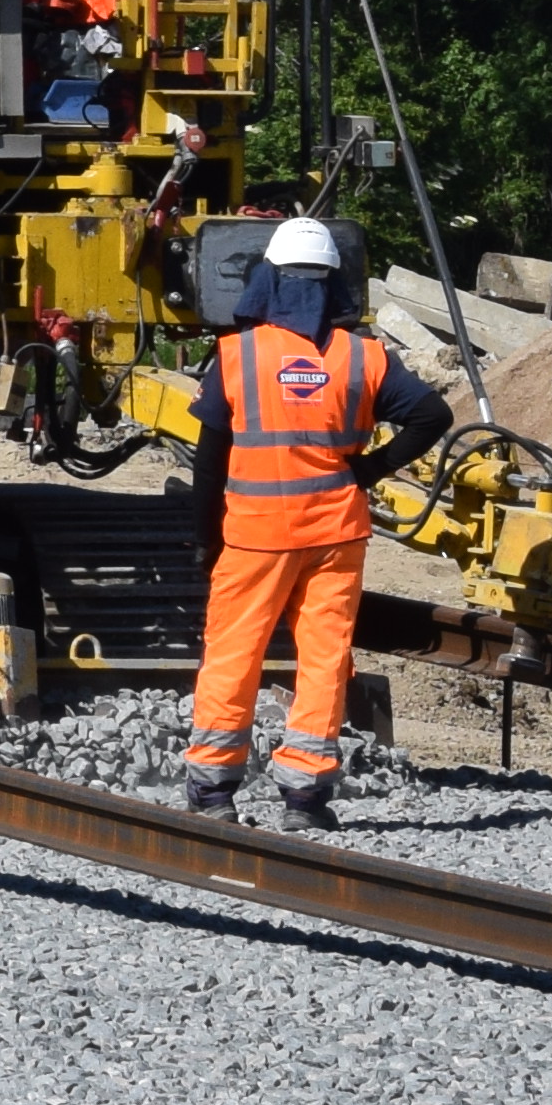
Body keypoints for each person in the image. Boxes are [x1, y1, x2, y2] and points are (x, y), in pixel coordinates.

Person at [181, 211, 454, 828]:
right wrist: (367, 470)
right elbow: (432, 417)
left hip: (255, 536)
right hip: (335, 531)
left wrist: (203, 538)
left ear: (268, 279)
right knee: (325, 655)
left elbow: (208, 463)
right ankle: (304, 796)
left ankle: (214, 789)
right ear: (336, 283)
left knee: (235, 650)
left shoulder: (236, 356)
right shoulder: (365, 357)